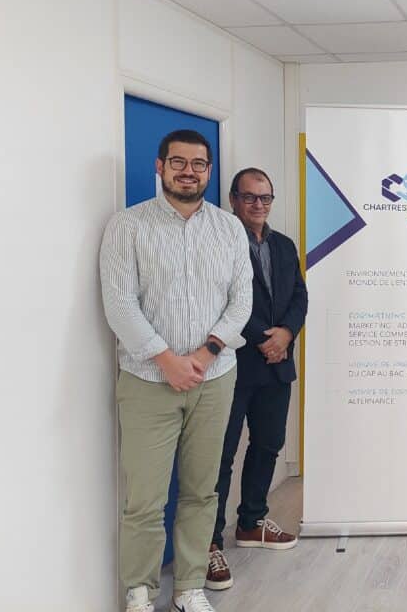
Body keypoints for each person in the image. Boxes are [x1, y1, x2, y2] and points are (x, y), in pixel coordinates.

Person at [100, 129, 252, 612]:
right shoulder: (127, 226)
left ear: (209, 171)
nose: (189, 171)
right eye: (179, 162)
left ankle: (188, 588)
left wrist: (205, 354)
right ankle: (140, 593)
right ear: (160, 167)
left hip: (215, 376)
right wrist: (167, 360)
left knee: (201, 491)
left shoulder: (229, 229)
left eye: (199, 164)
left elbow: (241, 300)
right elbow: (120, 304)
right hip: (148, 381)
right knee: (144, 499)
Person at [206, 168, 308, 591]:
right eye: (250, 198)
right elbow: (218, 299)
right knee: (221, 455)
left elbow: (299, 296)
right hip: (234, 364)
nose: (259, 205)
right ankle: (209, 542)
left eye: (265, 198)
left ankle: (251, 522)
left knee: (268, 444)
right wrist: (261, 340)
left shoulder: (283, 245)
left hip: (277, 364)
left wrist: (285, 334)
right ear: (233, 199)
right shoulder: (217, 242)